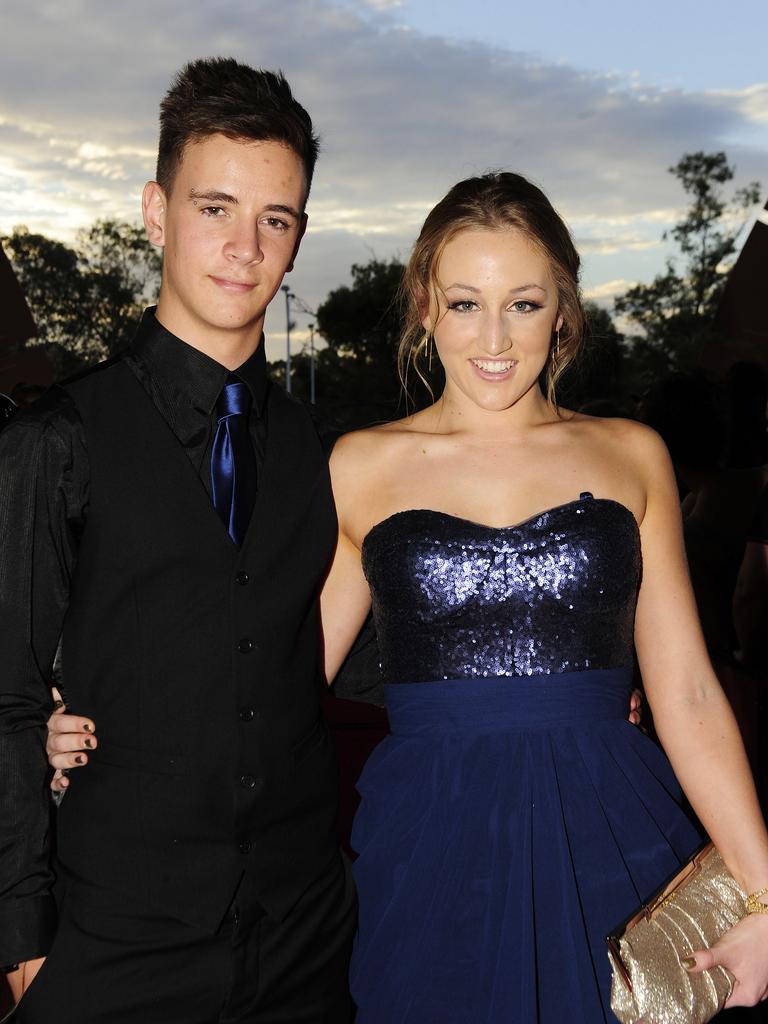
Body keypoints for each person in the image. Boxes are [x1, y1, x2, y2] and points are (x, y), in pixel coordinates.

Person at [47, 170, 768, 1023]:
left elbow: (686, 690)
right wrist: (91, 728)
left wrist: (763, 897)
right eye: (465, 303)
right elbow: (265, 678)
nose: (493, 337)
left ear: (564, 310)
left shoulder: (631, 453)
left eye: (525, 304)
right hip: (432, 844)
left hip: (614, 832)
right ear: (425, 306)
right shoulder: (359, 466)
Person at [0, 58, 355, 1023]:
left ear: (297, 239)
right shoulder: (52, 442)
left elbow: (345, 652)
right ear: (157, 211)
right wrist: (19, 934)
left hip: (303, 939)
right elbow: (8, 694)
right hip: (116, 940)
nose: (244, 247)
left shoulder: (326, 454)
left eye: (274, 219)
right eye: (214, 209)